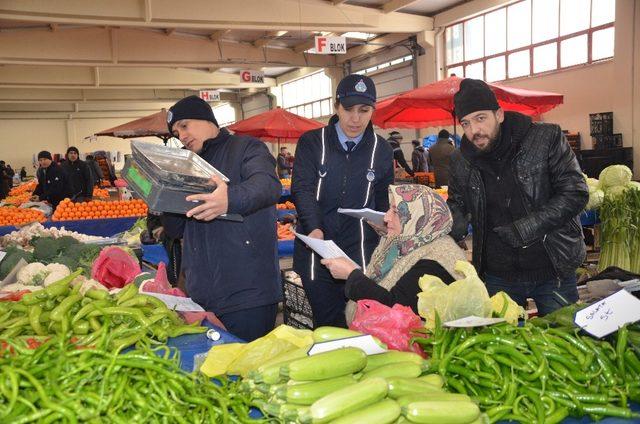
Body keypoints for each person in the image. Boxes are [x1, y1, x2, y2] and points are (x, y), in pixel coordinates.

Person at [447, 78, 588, 316]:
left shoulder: (545, 138)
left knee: (562, 341)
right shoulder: (460, 160)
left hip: (552, 267)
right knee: (504, 346)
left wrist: (525, 229)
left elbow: (575, 192)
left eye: (481, 118)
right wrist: (448, 223)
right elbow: (458, 203)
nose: (474, 131)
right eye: (466, 123)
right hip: (497, 275)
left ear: (499, 114)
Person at [162, 95, 282, 341]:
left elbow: (267, 185)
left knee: (249, 372)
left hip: (247, 296)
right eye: (176, 132)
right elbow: (175, 230)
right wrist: (161, 195)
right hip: (202, 297)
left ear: (206, 119)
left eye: (184, 126)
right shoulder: (187, 165)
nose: (181, 136)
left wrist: (230, 200)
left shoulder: (247, 148)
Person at [292, 74, 394, 328]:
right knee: (328, 324)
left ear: (373, 110)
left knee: (362, 324)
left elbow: (383, 197)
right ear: (336, 107)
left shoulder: (381, 150)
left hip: (361, 255)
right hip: (318, 253)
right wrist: (314, 228)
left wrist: (384, 222)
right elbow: (302, 189)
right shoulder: (312, 142)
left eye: (364, 110)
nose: (355, 118)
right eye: (348, 109)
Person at [321, 184, 467, 323]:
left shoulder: (435, 260)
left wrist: (351, 275)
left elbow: (397, 309)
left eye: (396, 212)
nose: (386, 218)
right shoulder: (416, 241)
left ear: (418, 217)